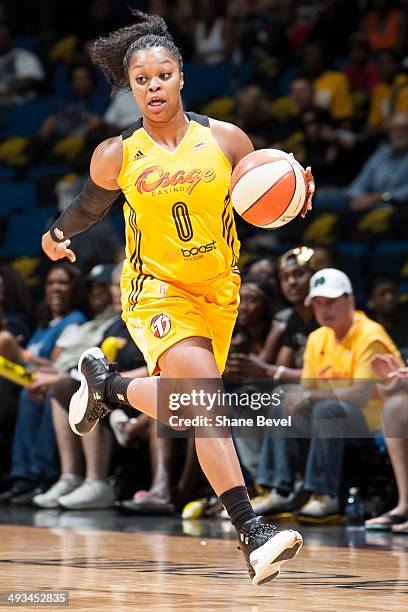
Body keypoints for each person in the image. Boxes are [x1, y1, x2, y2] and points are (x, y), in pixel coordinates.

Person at [41, 10, 314, 585]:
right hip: (155, 292)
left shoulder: (226, 138)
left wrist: (294, 196)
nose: (153, 87)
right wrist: (60, 234)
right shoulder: (117, 153)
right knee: (206, 403)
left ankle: (109, 386)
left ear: (181, 76)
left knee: (189, 406)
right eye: (141, 80)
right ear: (132, 87)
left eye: (162, 75)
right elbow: (93, 203)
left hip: (219, 293)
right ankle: (252, 532)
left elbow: (264, 191)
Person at [269, 268, 402, 522]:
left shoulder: (370, 335)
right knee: (281, 399)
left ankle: (324, 494)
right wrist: (297, 398)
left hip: (372, 421)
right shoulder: (317, 337)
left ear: (350, 300)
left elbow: (360, 395)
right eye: (317, 304)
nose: (324, 309)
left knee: (327, 408)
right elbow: (307, 390)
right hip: (331, 419)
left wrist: (309, 397)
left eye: (330, 302)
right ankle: (279, 489)